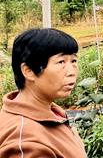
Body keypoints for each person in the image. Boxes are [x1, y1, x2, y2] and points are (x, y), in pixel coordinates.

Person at [0, 28, 86, 158]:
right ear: (29, 71)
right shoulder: (25, 143)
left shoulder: (50, 114)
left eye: (73, 61)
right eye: (61, 62)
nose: (71, 71)